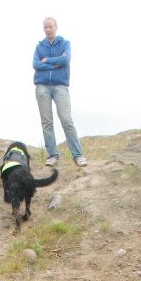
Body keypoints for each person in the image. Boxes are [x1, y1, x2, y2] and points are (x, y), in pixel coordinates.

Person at [33, 17, 87, 168]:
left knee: (66, 120)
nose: (48, 29)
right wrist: (55, 63)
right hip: (42, 86)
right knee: (47, 122)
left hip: (60, 87)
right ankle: (52, 155)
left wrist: (47, 61)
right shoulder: (39, 47)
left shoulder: (65, 43)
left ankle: (78, 155)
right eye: (45, 27)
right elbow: (35, 64)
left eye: (50, 27)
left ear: (56, 27)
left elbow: (66, 60)